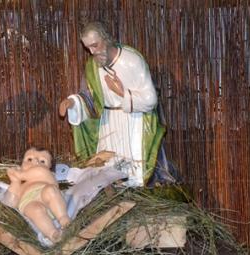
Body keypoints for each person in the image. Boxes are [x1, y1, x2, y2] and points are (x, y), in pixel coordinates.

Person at [59, 22, 178, 187]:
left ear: (106, 39)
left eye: (95, 45)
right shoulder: (93, 66)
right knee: (107, 170)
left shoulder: (132, 61)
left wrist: (123, 93)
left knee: (132, 173)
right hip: (107, 124)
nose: (92, 52)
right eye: (88, 48)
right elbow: (90, 99)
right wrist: (72, 102)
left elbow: (151, 99)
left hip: (133, 122)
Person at [5, 148, 70, 244]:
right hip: (28, 202)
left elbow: (38, 171)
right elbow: (11, 202)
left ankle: (64, 219)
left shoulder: (46, 174)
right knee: (34, 209)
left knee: (51, 190)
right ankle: (53, 234)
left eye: (42, 161)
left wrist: (19, 174)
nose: (35, 161)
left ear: (51, 171)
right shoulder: (22, 185)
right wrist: (15, 181)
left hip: (45, 192)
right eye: (29, 159)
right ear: (21, 166)